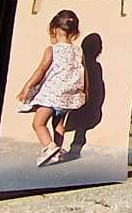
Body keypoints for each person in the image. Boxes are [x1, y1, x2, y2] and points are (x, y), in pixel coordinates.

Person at [17, 9, 88, 168]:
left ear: (54, 29)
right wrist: (85, 90)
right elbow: (84, 71)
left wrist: (28, 86)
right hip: (68, 97)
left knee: (38, 124)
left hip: (52, 95)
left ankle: (50, 148)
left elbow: (41, 70)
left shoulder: (52, 50)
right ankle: (58, 153)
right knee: (59, 125)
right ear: (75, 33)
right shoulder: (78, 51)